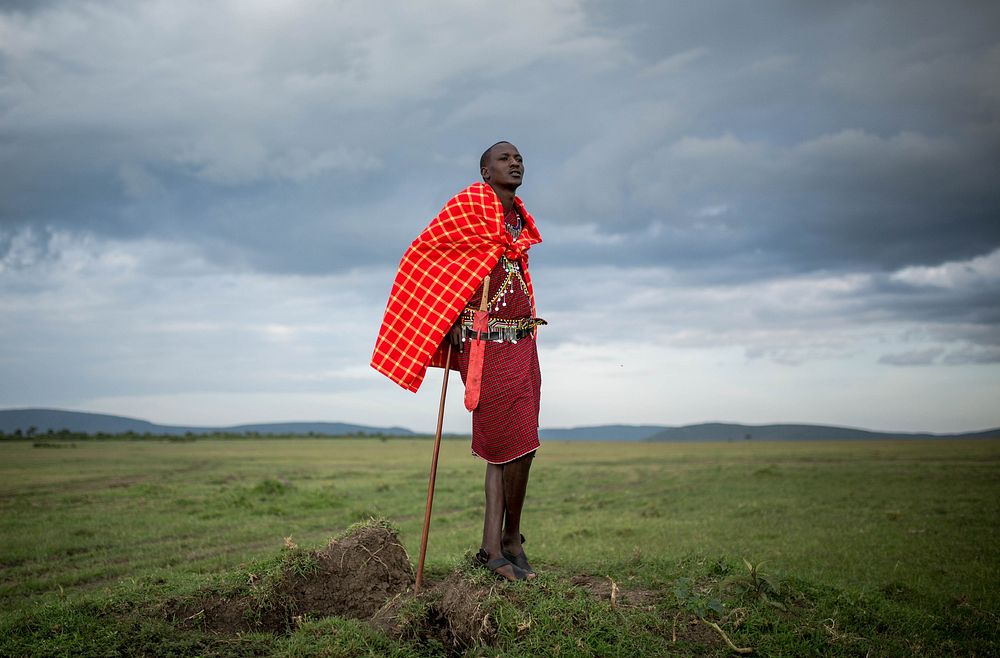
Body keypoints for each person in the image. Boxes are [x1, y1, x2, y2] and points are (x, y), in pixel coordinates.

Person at [371, 141, 544, 582]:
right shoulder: (469, 208)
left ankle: (502, 542)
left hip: (524, 342)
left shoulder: (518, 220)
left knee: (516, 448)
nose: (515, 161)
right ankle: (503, 543)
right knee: (511, 443)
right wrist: (446, 317)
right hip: (487, 343)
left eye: (519, 156)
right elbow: (424, 255)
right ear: (486, 171)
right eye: (504, 158)